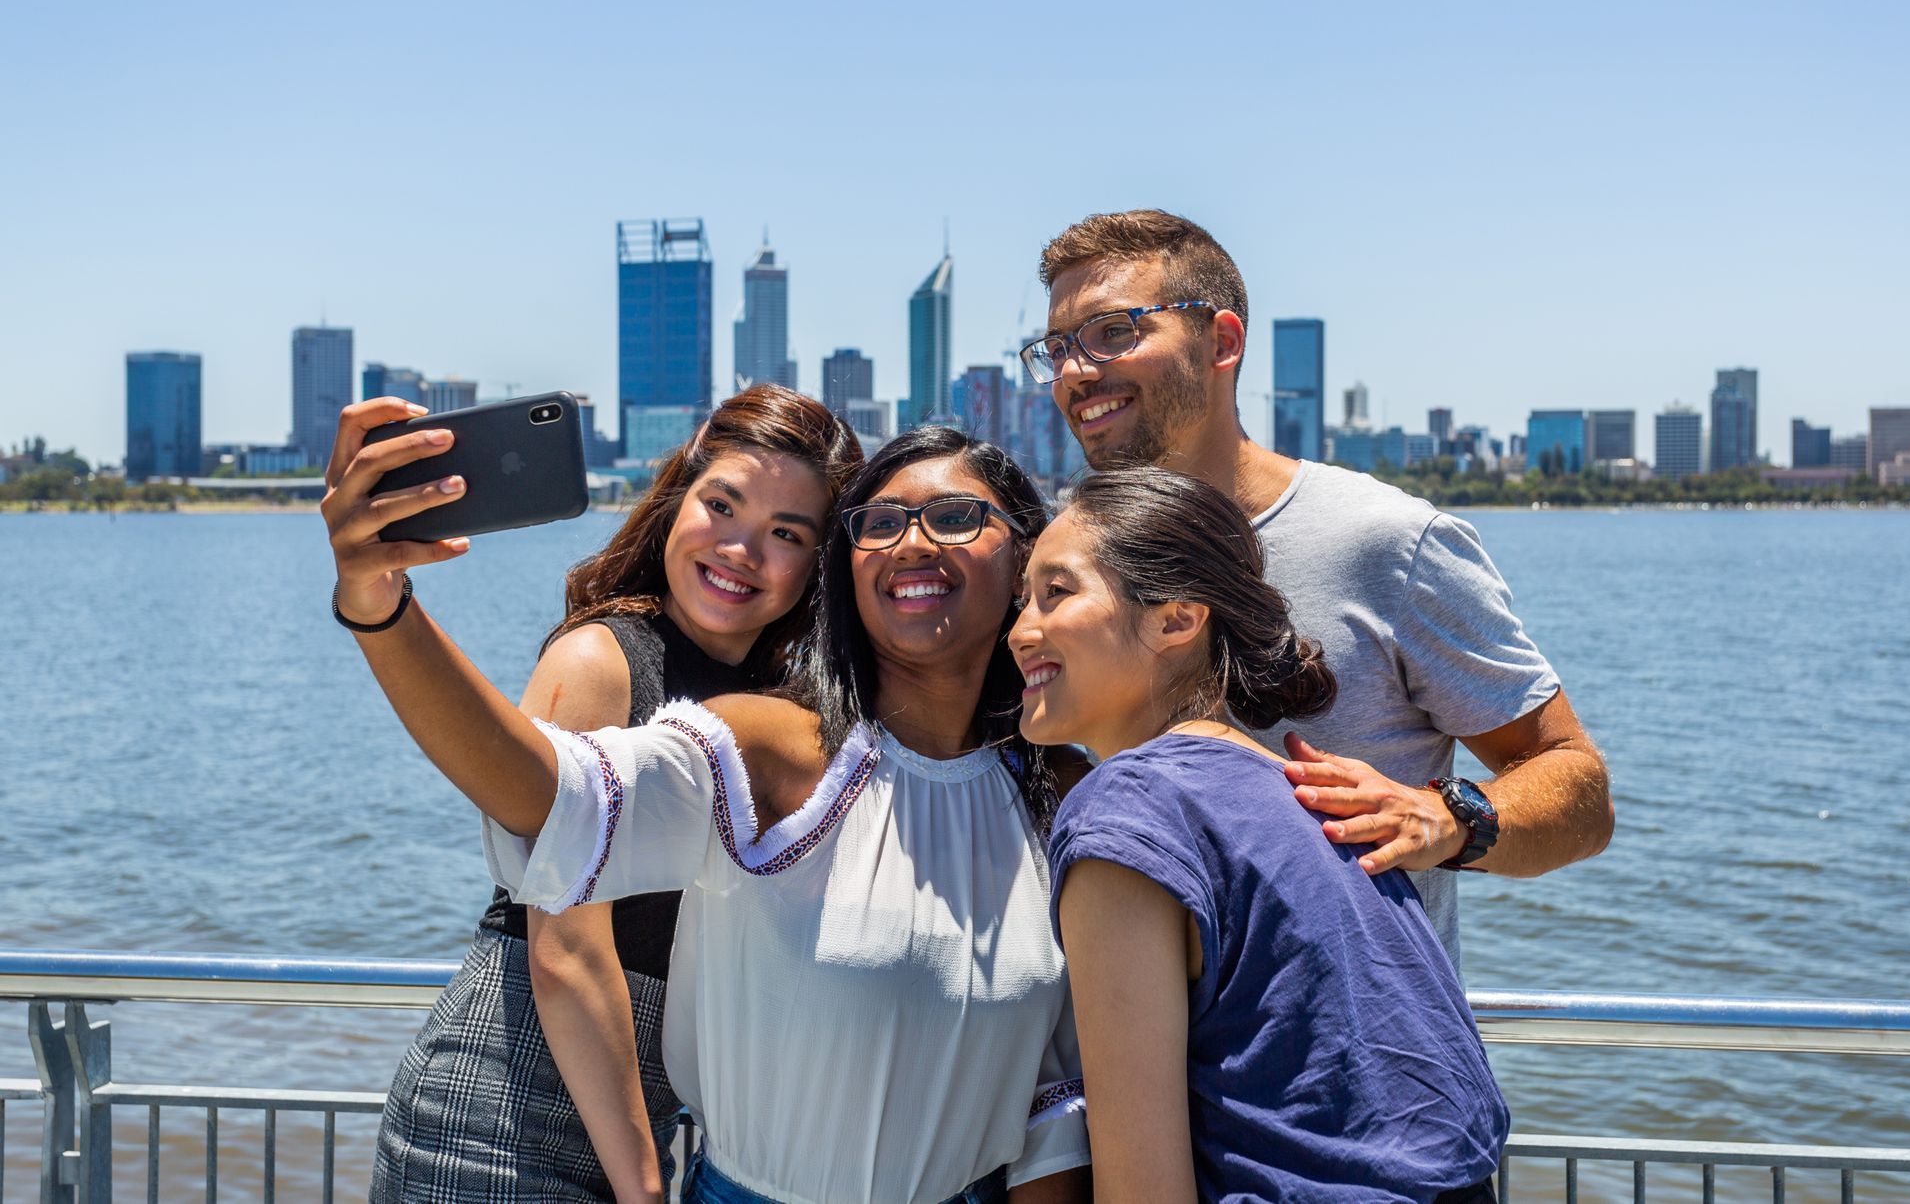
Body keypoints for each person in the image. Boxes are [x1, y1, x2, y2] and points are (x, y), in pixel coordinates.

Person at [325, 421, 1090, 1204]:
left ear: (1025, 556)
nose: (913, 544)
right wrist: (381, 605)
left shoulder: (1059, 789)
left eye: (956, 516)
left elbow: (1053, 1098)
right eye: (882, 523)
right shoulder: (761, 745)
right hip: (510, 1127)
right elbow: (552, 801)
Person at [1028, 210, 1613, 969]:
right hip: (1133, 1048)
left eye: (1112, 332)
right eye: (1058, 348)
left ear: (1223, 342)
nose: (1076, 371)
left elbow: (1579, 785)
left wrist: (1446, 817)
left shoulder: (1387, 542)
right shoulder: (1062, 565)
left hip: (1349, 1066)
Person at [347, 384, 862, 1203]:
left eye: (785, 533)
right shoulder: (604, 659)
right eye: (721, 505)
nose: (740, 549)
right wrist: (643, 1185)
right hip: (504, 1116)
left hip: (634, 1118)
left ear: (819, 563)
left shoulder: (784, 700)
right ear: (676, 501)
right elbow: (567, 952)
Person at [1017, 467, 1509, 1202]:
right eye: (1022, 600)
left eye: (1057, 593)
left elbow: (1143, 1189)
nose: (1020, 629)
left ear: (1177, 619)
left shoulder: (1127, 808)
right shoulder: (1300, 791)